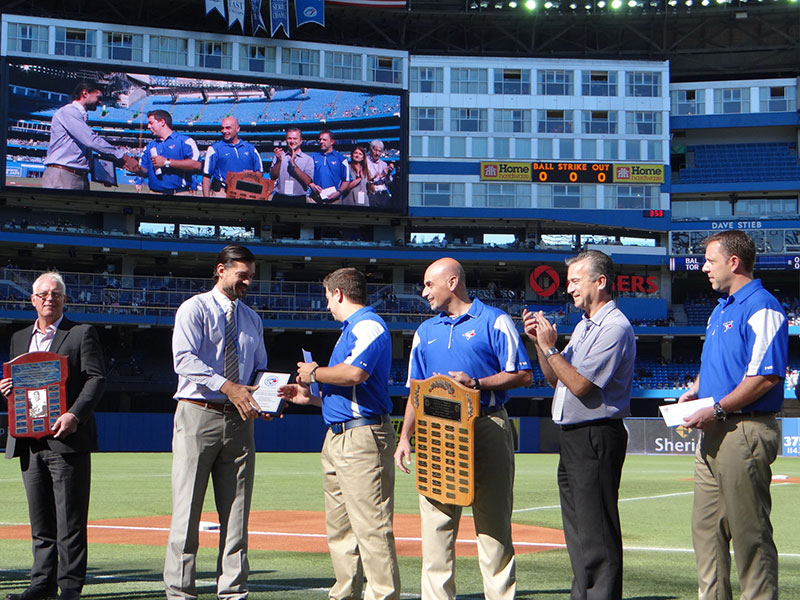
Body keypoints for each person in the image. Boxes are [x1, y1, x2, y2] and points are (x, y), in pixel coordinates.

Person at [394, 257, 532, 600]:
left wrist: (477, 382)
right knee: (436, 526)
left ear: (451, 283)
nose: (424, 292)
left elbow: (523, 374)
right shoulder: (425, 332)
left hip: (487, 425)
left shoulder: (495, 321)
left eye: (429, 284)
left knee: (493, 525)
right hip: (436, 433)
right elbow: (416, 390)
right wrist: (404, 437)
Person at [279, 267, 400, 600]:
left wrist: (315, 372)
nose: (327, 304)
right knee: (341, 529)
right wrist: (309, 397)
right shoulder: (352, 329)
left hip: (362, 439)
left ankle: (383, 595)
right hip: (338, 435)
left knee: (371, 527)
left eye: (328, 296)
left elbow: (356, 373)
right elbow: (350, 395)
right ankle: (344, 594)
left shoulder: (368, 325)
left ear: (339, 294)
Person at [679, 230, 786, 600]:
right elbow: (723, 364)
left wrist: (719, 406)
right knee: (705, 532)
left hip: (744, 428)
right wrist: (696, 389)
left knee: (748, 533)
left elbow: (766, 375)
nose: (704, 268)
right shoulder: (721, 307)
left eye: (710, 260)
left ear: (734, 262)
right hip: (714, 428)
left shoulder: (763, 306)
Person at [523, 250, 635, 600]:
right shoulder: (586, 325)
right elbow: (557, 380)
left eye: (575, 280)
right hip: (575, 437)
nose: (568, 287)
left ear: (599, 282)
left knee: (596, 533)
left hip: (596, 435)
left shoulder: (614, 327)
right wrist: (541, 347)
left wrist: (551, 348)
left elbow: (581, 385)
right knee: (579, 533)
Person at [164, 244, 268, 600]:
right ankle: (180, 592)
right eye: (242, 275)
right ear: (220, 271)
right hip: (197, 414)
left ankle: (233, 591)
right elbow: (184, 360)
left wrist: (266, 395)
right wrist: (229, 386)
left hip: (240, 421)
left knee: (237, 513)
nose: (247, 282)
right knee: (187, 509)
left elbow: (258, 370)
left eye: (250, 277)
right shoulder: (194, 309)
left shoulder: (253, 319)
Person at [1, 272, 106, 600]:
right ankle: (41, 584)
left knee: (70, 521)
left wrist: (75, 414)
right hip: (29, 442)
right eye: (43, 294)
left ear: (64, 299)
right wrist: (7, 390)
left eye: (56, 294)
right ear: (32, 299)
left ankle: (70, 589)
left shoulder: (80, 333)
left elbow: (96, 379)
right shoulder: (19, 338)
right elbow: (22, 387)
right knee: (41, 520)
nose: (50, 298)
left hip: (67, 440)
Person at [41, 81, 139, 190]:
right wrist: (123, 157)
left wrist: (102, 174)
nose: (100, 102)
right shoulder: (68, 112)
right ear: (85, 93)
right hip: (63, 175)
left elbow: (80, 151)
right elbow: (91, 141)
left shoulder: (80, 116)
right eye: (98, 97)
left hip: (78, 175)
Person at [135, 110, 201, 195]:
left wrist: (167, 162)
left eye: (151, 123)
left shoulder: (185, 141)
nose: (148, 126)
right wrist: (136, 168)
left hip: (178, 194)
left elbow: (197, 165)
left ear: (162, 122)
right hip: (154, 194)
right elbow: (145, 171)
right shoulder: (149, 147)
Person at [202, 117, 263, 198]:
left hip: (247, 193)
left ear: (237, 129)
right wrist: (207, 199)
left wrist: (251, 174)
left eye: (228, 128)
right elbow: (206, 176)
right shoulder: (214, 149)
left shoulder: (250, 148)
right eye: (222, 128)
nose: (224, 131)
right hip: (223, 193)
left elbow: (260, 172)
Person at [269, 128, 314, 203]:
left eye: (295, 138)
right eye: (289, 138)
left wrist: (293, 165)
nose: (292, 141)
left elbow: (308, 181)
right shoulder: (279, 156)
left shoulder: (308, 159)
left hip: (299, 199)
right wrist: (279, 161)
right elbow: (273, 177)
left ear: (300, 141)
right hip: (280, 198)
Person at [307, 131, 349, 204]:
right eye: (320, 140)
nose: (321, 141)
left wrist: (338, 193)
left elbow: (346, 180)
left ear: (332, 141)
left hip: (334, 201)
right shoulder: (312, 157)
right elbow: (306, 176)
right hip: (315, 199)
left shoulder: (341, 159)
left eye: (324, 140)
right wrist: (311, 185)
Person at [366, 139, 394, 209]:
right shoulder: (365, 162)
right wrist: (381, 175)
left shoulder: (384, 164)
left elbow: (388, 182)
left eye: (379, 151)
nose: (377, 153)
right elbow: (367, 180)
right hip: (372, 194)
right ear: (371, 149)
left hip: (384, 194)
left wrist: (388, 174)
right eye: (375, 150)